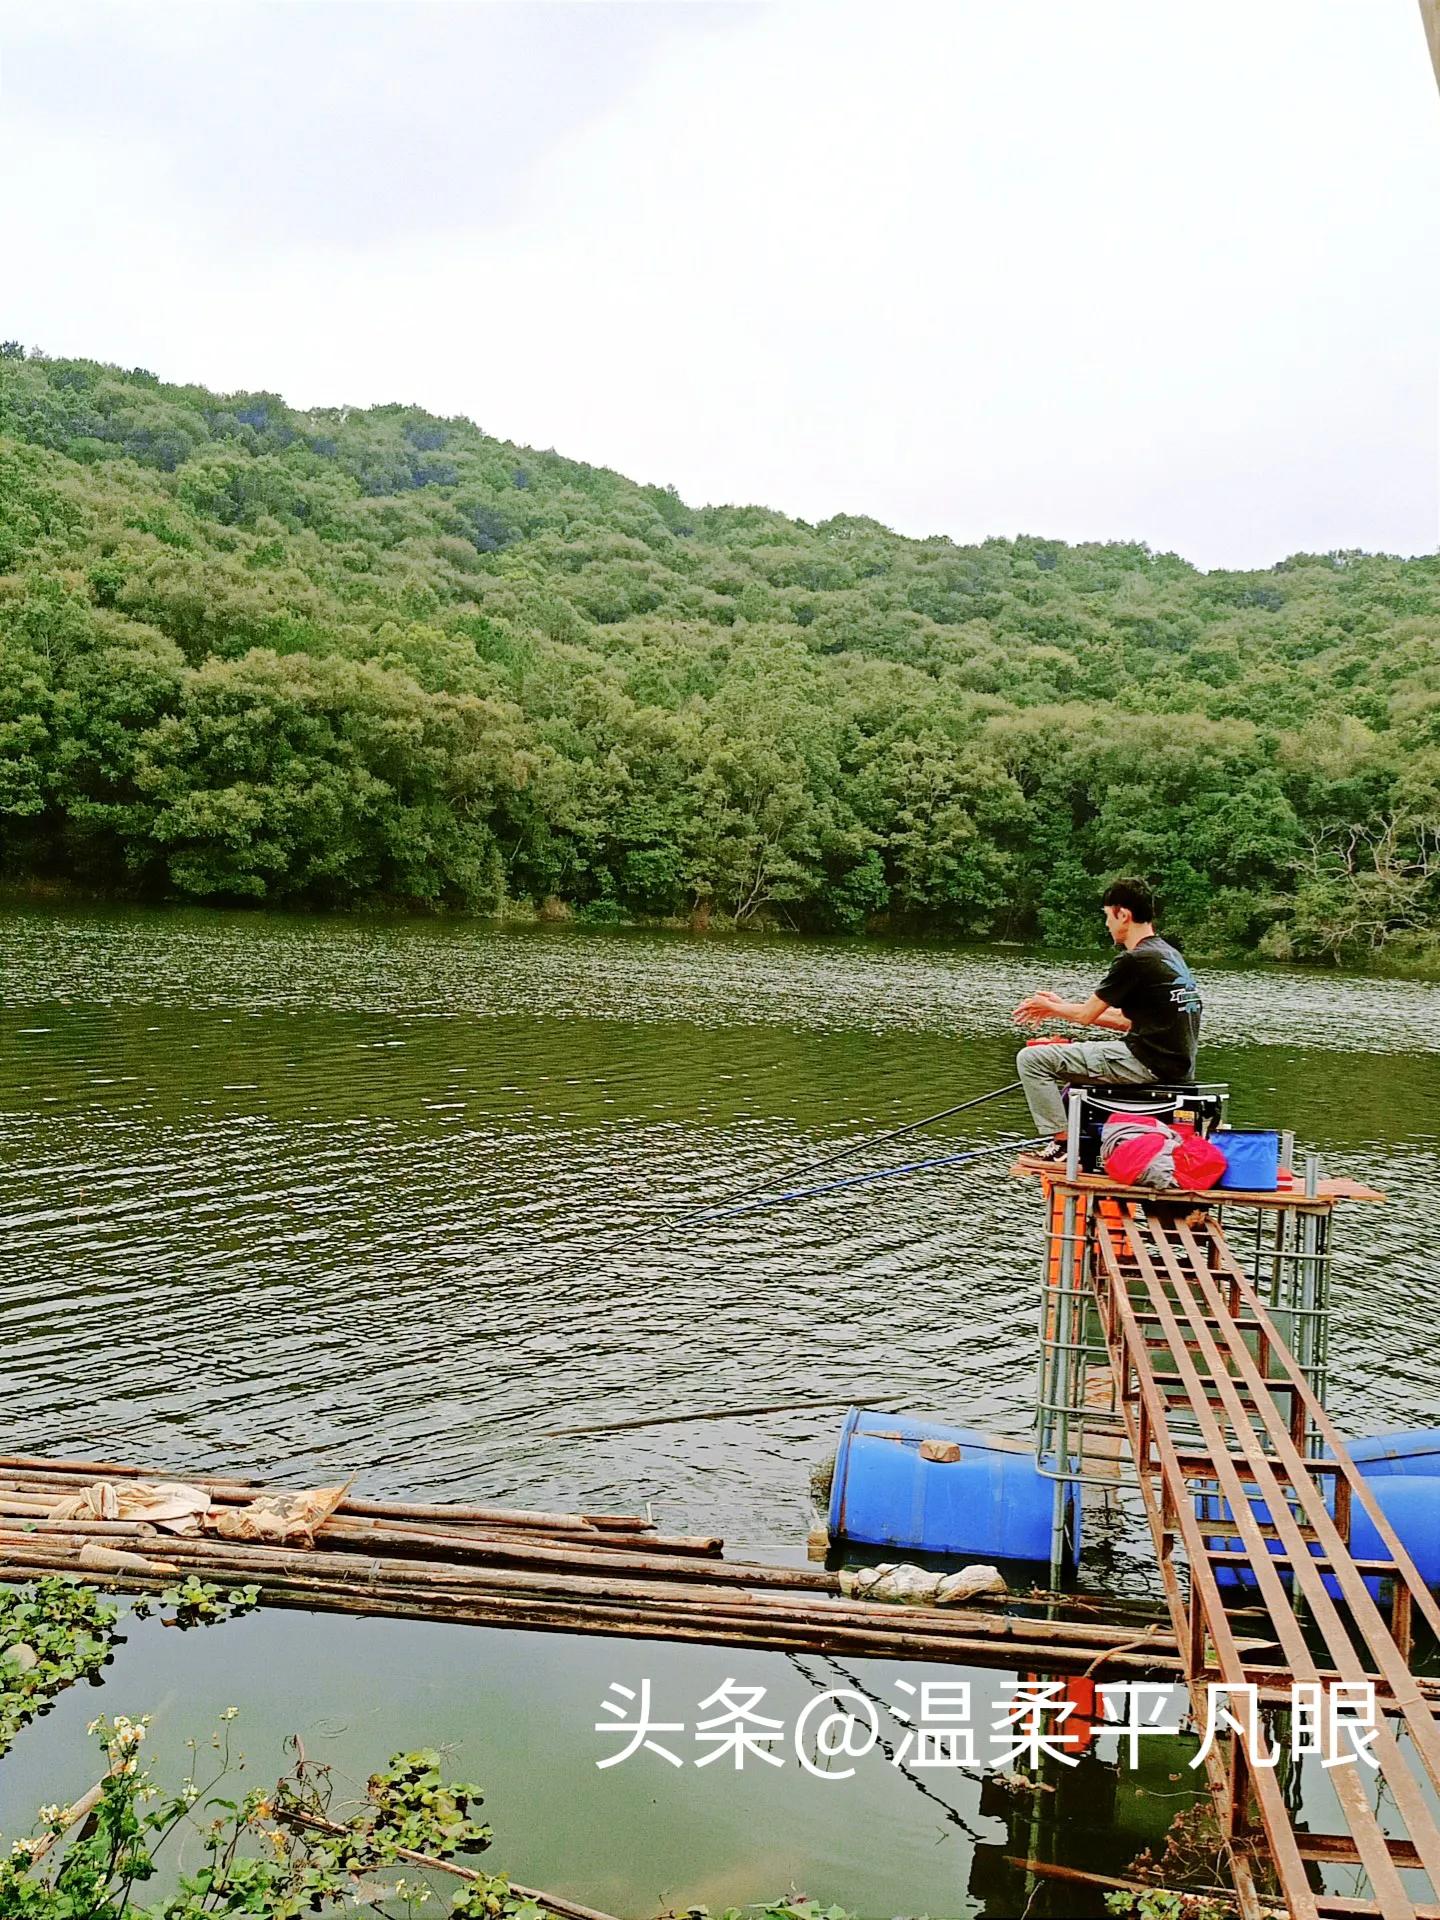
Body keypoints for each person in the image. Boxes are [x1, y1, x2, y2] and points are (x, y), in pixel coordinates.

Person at [1012, 879, 1203, 1160]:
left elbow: (1086, 1015)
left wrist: (1051, 1009)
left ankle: (1065, 1144)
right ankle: (1079, 1137)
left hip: (1146, 1062)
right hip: (1174, 1064)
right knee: (1062, 1057)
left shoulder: (1134, 959)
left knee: (1032, 1059)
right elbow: (1127, 1021)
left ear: (1122, 914)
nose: (1106, 925)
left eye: (1106, 916)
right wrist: (1063, 1005)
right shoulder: (1167, 954)